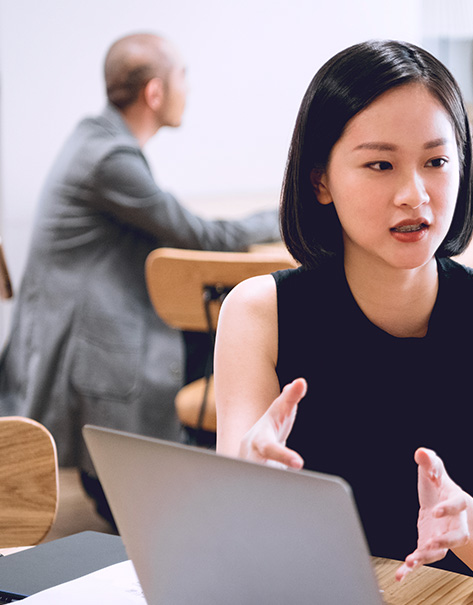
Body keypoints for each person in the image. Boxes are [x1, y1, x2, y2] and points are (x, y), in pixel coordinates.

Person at [213, 40, 473, 600]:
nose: (415, 195)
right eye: (380, 164)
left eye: (436, 162)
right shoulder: (259, 314)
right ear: (321, 181)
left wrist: (465, 523)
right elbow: (242, 542)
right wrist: (246, 482)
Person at [0, 33, 280, 522]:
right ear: (154, 93)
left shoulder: (96, 139)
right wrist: (281, 216)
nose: (187, 89)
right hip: (79, 340)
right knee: (220, 337)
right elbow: (202, 235)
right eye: (183, 77)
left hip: (66, 321)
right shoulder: (110, 159)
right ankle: (217, 489)